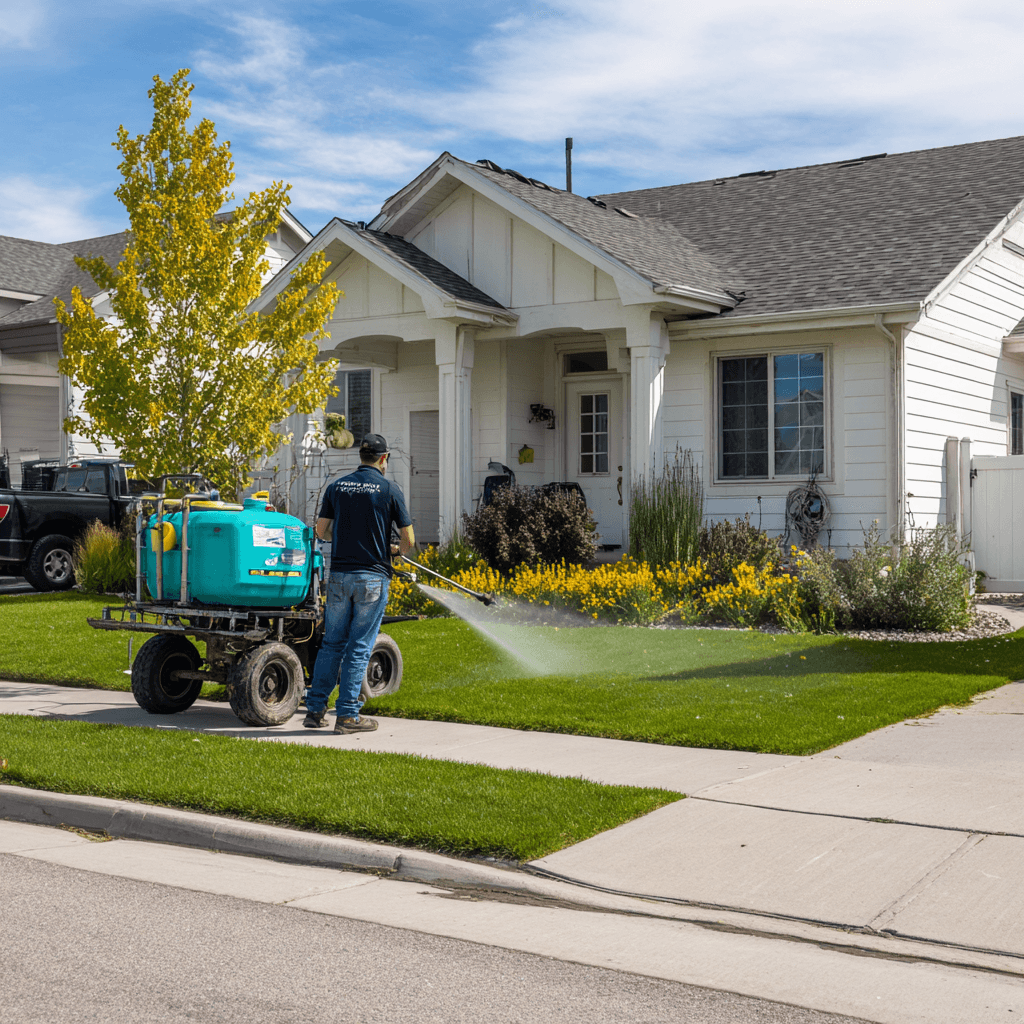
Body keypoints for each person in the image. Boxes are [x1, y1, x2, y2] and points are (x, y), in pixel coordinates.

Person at [304, 433, 415, 734]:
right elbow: (408, 539)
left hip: (340, 576)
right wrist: (395, 550)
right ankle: (347, 716)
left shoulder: (337, 487)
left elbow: (321, 530)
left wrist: (343, 536)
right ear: (384, 458)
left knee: (332, 643)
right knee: (359, 647)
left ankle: (315, 710)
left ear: (361, 456)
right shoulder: (389, 489)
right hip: (371, 579)